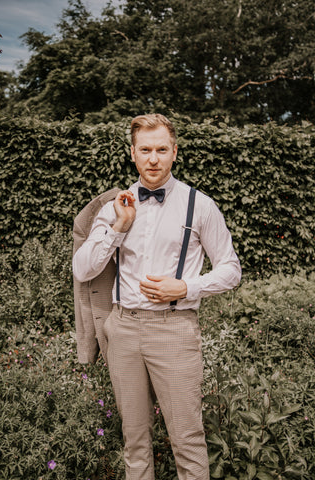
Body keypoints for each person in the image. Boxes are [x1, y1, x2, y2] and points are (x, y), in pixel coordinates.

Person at [73, 113, 241, 480]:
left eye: (161, 149)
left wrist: (186, 287)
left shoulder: (200, 206)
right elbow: (82, 269)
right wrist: (119, 226)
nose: (153, 159)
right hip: (124, 330)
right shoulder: (115, 205)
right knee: (134, 441)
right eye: (145, 150)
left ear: (174, 152)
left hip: (175, 330)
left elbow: (231, 269)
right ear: (132, 153)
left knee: (188, 439)